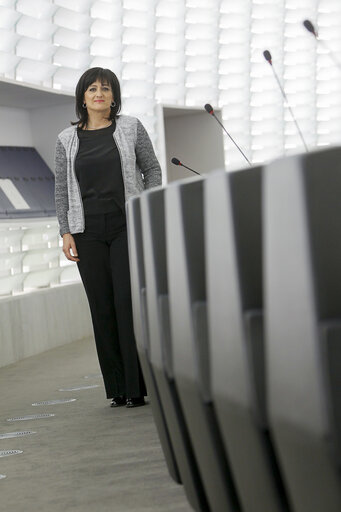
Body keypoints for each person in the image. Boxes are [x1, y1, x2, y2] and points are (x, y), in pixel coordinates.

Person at [54, 67, 162, 408]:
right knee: (101, 308)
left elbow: (153, 169)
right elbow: (61, 189)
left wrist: (149, 205)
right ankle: (116, 388)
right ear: (82, 98)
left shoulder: (130, 128)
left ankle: (135, 387)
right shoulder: (65, 140)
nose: (99, 93)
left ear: (114, 96)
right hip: (86, 232)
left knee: (126, 302)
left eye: (105, 88)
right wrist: (65, 231)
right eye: (92, 89)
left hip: (125, 225)